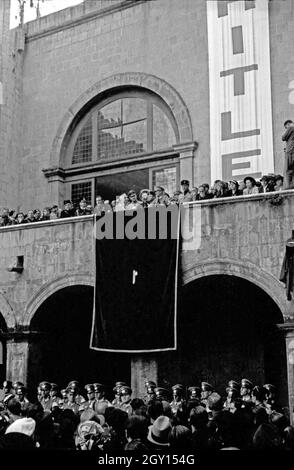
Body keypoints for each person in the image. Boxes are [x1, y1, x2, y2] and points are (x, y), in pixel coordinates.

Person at [282, 119, 294, 189]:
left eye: (286, 128)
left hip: (290, 152)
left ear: (288, 124)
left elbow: (283, 137)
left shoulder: (291, 127)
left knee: (289, 169)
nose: (286, 129)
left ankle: (289, 185)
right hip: (291, 150)